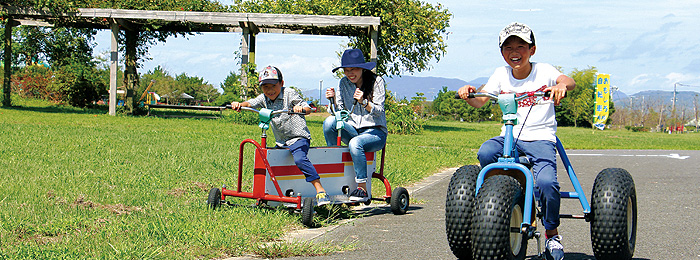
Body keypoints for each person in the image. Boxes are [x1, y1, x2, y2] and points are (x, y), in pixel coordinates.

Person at [457, 22, 576, 260]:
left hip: (540, 137)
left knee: (546, 183)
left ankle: (552, 233)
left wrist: (561, 85)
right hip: (509, 136)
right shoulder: (501, 74)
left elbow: (568, 80)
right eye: (508, 47)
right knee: (486, 152)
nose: (514, 52)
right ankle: (501, 199)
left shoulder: (543, 70)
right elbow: (481, 100)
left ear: (532, 50)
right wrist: (468, 93)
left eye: (521, 46)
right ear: (502, 53)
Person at [231, 65, 330, 206]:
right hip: (281, 141)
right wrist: (240, 104)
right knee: (268, 161)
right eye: (265, 87)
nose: (270, 90)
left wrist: (300, 108)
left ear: (281, 83)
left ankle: (320, 190)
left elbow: (307, 108)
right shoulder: (264, 98)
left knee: (300, 159)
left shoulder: (290, 94)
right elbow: (251, 103)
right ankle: (267, 196)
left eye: (273, 86)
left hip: (298, 137)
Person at [323, 49, 387, 202]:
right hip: (353, 129)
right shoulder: (343, 83)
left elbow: (379, 111)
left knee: (356, 142)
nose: (350, 73)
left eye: (354, 69)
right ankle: (334, 166)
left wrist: (364, 102)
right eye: (346, 70)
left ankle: (362, 190)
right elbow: (339, 113)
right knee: (329, 123)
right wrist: (332, 101)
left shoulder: (376, 81)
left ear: (362, 69)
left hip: (375, 132)